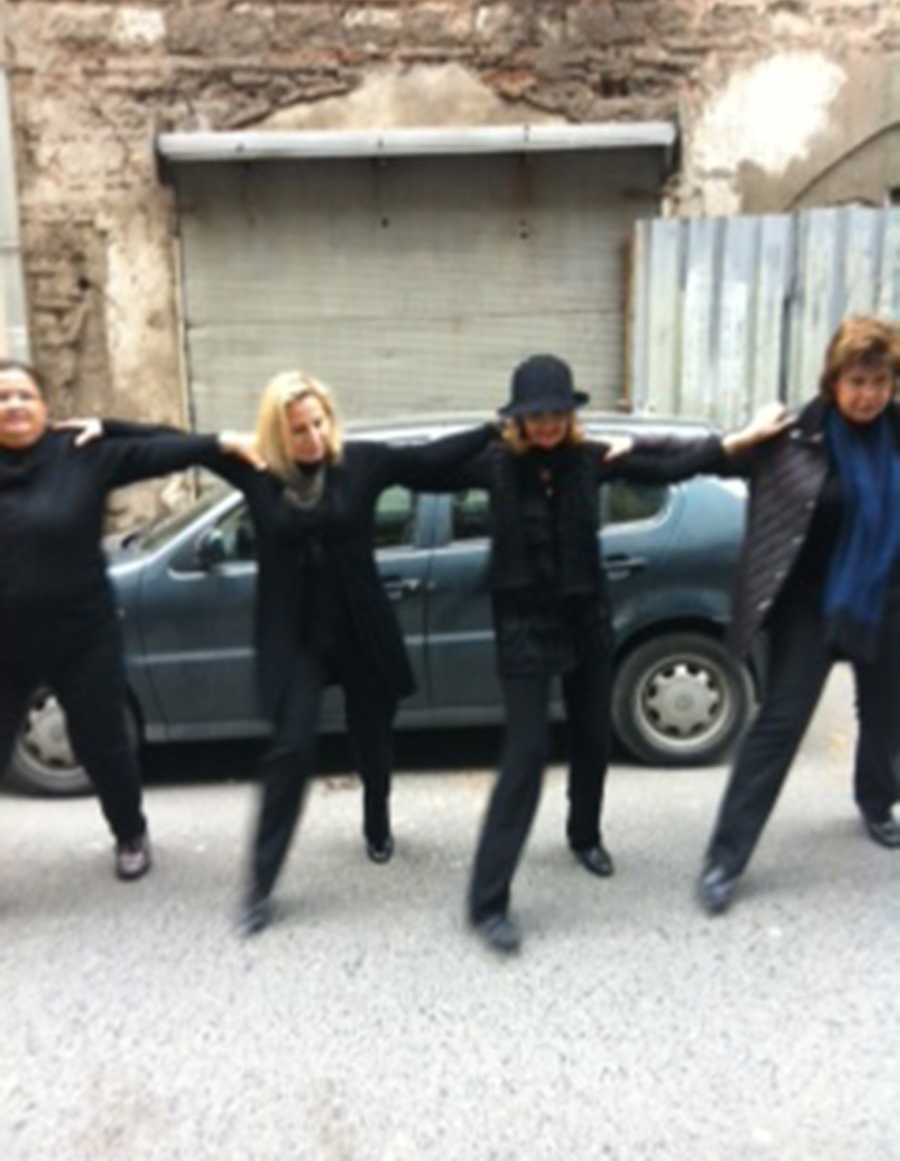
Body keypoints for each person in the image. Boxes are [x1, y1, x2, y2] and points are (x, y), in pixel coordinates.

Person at [448, 353, 786, 954]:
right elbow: (417, 467)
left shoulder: (591, 459)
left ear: (568, 415)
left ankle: (584, 836)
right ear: (518, 419)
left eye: (556, 414)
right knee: (526, 753)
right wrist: (481, 431)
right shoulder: (494, 463)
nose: (547, 425)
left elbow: (678, 465)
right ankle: (488, 900)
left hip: (585, 615)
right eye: (535, 416)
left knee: (592, 735)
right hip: (525, 621)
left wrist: (743, 439)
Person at [195, 373, 495, 935]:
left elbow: (427, 461)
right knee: (291, 750)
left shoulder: (360, 463)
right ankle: (260, 885)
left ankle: (377, 817)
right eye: (297, 429)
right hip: (297, 639)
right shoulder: (257, 471)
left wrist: (492, 428)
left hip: (360, 630)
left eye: (318, 422)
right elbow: (175, 449)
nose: (312, 436)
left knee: (374, 737)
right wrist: (207, 440)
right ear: (276, 432)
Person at [0, 359, 261, 883]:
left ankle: (130, 834)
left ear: (46, 407)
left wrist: (217, 441)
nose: (13, 405)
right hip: (6, 641)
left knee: (102, 744)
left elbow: (166, 449)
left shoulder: (80, 453)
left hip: (82, 635)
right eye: (2, 398)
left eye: (24, 395)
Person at [697, 316, 900, 914]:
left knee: (886, 714)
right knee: (780, 724)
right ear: (833, 381)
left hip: (885, 600)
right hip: (808, 604)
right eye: (857, 381)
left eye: (881, 382)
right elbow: (708, 459)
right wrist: (628, 455)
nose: (868, 395)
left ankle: (876, 802)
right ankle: (726, 858)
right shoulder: (793, 435)